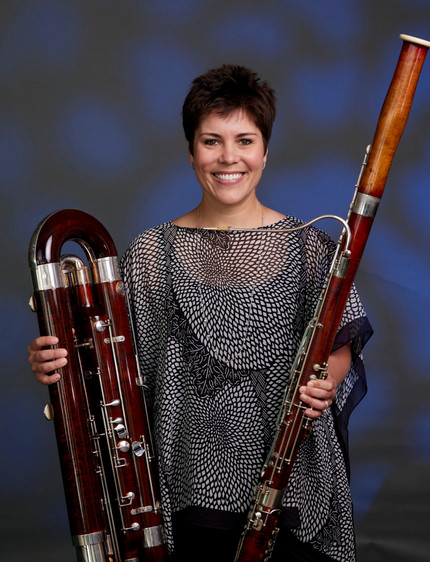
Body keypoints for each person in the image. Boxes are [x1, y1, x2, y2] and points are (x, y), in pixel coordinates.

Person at [28, 64, 373, 561]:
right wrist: (56, 362)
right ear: (191, 152)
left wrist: (327, 381)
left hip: (291, 486)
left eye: (244, 140)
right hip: (188, 484)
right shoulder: (150, 253)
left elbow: (339, 345)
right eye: (211, 141)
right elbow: (115, 371)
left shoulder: (311, 248)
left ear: (265, 151)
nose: (229, 157)